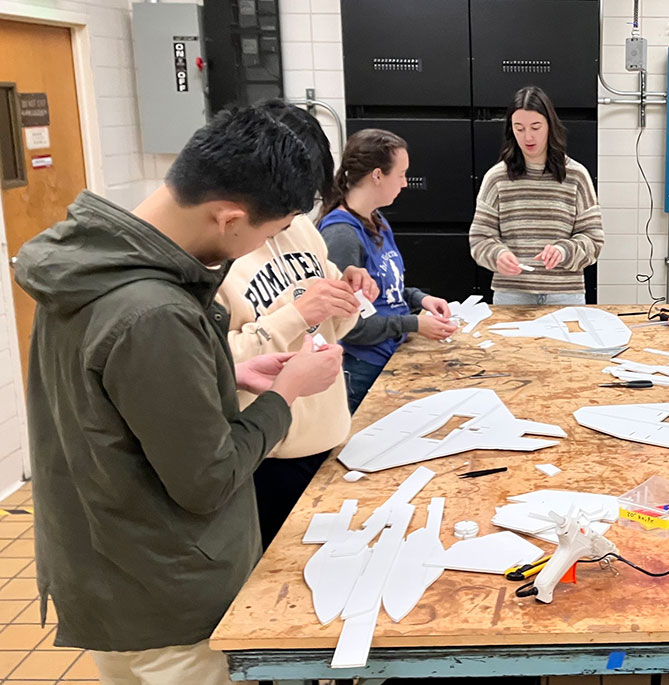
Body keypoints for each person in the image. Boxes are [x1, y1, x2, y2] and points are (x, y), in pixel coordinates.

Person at [13, 105, 345, 684]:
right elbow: (209, 478)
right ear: (228, 218)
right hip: (164, 599)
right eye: (263, 235)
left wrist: (225, 374)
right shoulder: (153, 311)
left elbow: (114, 403)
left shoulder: (89, 267)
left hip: (113, 573)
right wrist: (285, 395)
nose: (254, 250)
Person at [217, 101, 379, 550]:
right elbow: (209, 363)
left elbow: (333, 330)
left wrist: (349, 298)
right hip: (268, 455)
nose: (292, 214)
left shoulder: (301, 230)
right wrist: (296, 313)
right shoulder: (219, 249)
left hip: (329, 438)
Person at [319, 128, 457, 414]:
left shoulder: (376, 220)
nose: (406, 183)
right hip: (362, 368)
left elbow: (386, 292)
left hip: (389, 360)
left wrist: (419, 300)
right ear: (377, 175)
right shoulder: (342, 235)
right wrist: (414, 324)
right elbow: (352, 326)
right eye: (401, 174)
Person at [469, 85, 604, 305]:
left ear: (550, 126)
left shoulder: (577, 176)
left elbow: (594, 239)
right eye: (519, 128)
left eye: (535, 127)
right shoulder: (497, 178)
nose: (528, 136)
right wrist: (497, 256)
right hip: (512, 295)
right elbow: (480, 239)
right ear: (510, 129)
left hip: (565, 294)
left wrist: (564, 251)